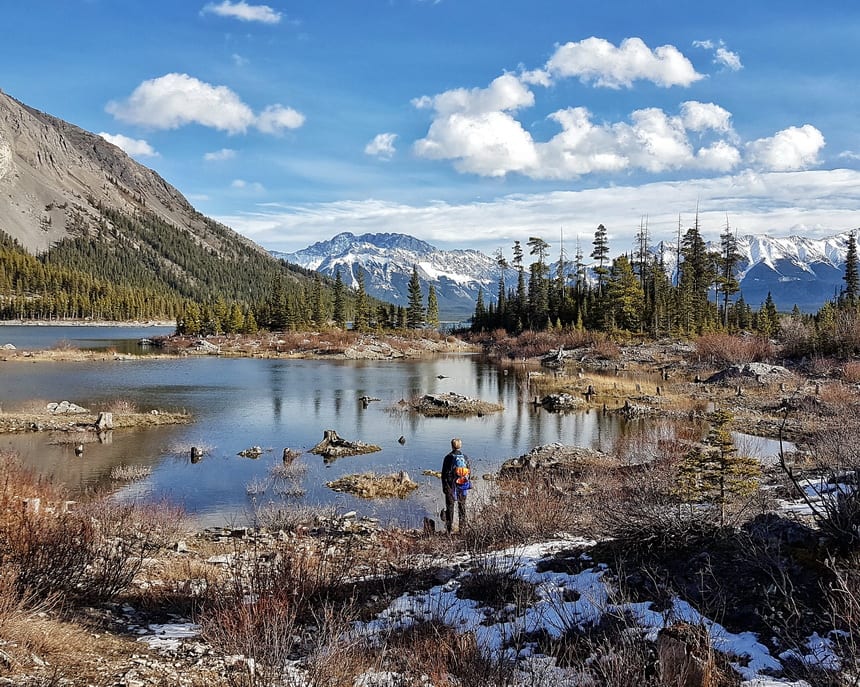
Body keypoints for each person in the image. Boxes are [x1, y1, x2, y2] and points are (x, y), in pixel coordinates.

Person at [441, 437, 471, 533]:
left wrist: (445, 487)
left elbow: (444, 474)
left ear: (452, 446)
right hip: (462, 486)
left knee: (450, 508)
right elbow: (469, 473)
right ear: (460, 446)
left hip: (451, 486)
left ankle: (449, 531)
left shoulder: (448, 457)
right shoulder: (465, 457)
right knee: (462, 508)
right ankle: (462, 530)